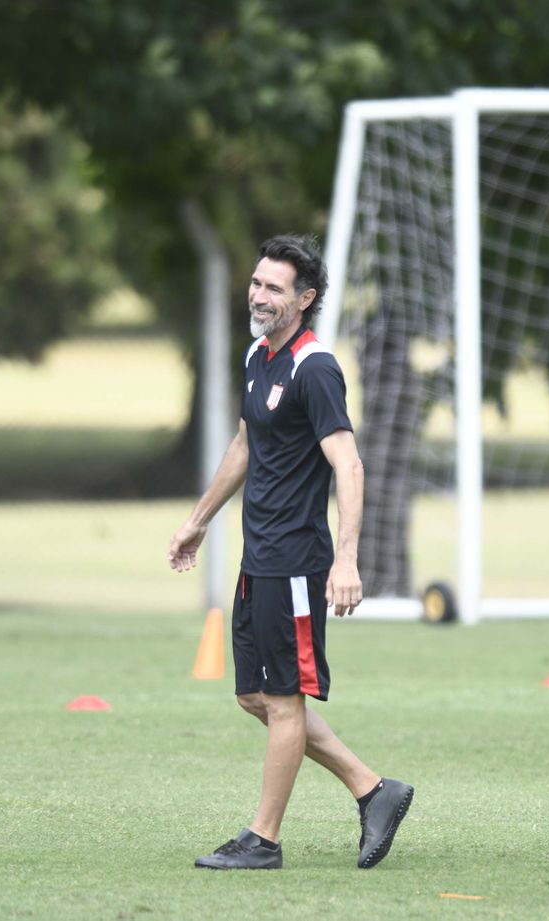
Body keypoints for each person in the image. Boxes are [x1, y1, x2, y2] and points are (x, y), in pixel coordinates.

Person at [168, 234, 413, 871]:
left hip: (299, 560)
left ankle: (263, 840)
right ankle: (373, 789)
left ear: (304, 300)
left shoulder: (315, 367)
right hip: (259, 558)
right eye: (256, 283)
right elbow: (245, 447)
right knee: (256, 696)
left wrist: (348, 558)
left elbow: (349, 465)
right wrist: (198, 521)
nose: (259, 295)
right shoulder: (258, 356)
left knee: (284, 703)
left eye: (274, 288)